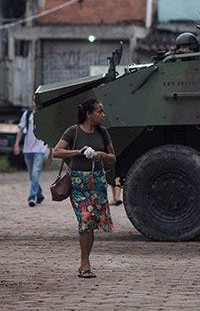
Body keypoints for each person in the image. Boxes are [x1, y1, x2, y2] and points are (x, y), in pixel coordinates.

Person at [53, 97, 116, 279]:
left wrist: (102, 155)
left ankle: (85, 260)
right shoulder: (73, 132)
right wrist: (78, 152)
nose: (103, 115)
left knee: (91, 223)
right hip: (78, 182)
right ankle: (84, 263)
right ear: (89, 114)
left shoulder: (103, 133)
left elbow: (113, 158)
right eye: (99, 112)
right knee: (86, 219)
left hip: (97, 181)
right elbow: (56, 152)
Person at [13, 99, 49, 207]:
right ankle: (40, 194)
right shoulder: (27, 114)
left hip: (40, 149)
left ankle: (32, 197)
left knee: (35, 173)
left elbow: (49, 132)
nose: (35, 102)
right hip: (27, 149)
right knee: (32, 175)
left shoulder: (45, 114)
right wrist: (16, 145)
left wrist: (51, 151)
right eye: (33, 100)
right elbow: (20, 130)